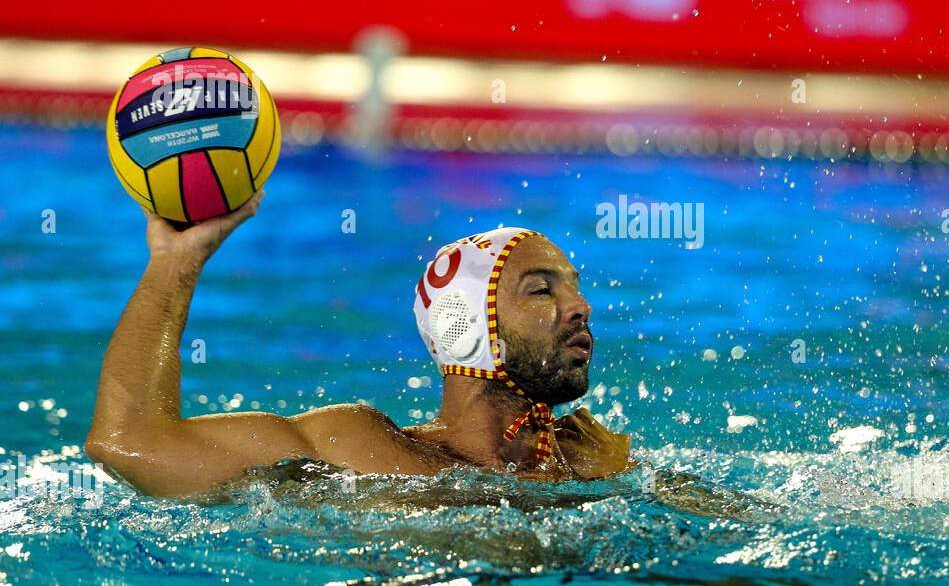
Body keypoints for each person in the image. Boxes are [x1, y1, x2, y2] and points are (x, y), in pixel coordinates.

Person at [85, 192, 635, 500]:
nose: (580, 305)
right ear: (465, 325)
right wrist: (176, 261)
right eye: (541, 289)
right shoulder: (355, 446)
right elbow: (128, 441)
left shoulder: (590, 457)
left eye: (575, 285)